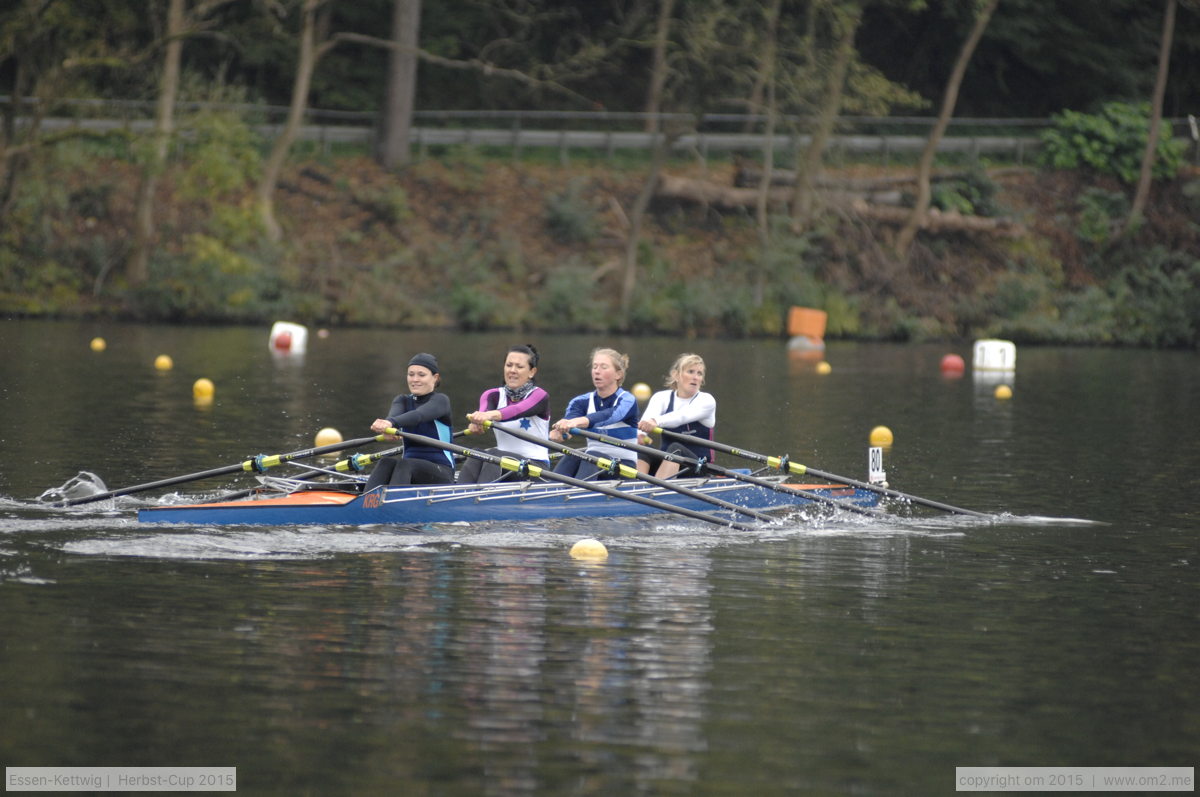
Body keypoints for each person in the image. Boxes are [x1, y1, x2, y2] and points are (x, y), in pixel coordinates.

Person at [458, 344, 551, 483]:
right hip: (504, 465)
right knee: (476, 453)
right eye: (509, 365)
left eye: (519, 367)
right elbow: (483, 411)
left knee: (494, 455)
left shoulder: (539, 396)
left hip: (536, 469)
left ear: (532, 372)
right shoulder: (492, 395)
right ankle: (460, 495)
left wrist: (488, 416)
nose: (512, 370)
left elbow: (517, 410)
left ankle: (482, 498)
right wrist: (477, 422)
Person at [364, 353, 455, 490]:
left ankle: (394, 506)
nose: (415, 379)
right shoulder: (402, 400)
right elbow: (393, 417)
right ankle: (366, 503)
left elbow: (419, 416)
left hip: (441, 471)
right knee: (385, 463)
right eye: (411, 374)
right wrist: (387, 427)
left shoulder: (441, 401)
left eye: (421, 375)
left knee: (405, 464)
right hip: (409, 470)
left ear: (435, 378)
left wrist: (391, 424)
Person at [550, 347, 639, 480]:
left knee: (591, 456)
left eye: (604, 367)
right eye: (595, 366)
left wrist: (575, 422)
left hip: (623, 468)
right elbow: (569, 422)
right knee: (573, 455)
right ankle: (551, 490)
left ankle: (580, 497)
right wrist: (560, 432)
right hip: (593, 462)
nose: (597, 371)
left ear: (618, 374)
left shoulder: (627, 400)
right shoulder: (580, 402)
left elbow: (609, 416)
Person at [637, 353, 716, 478]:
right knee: (643, 448)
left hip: (699, 468)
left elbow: (681, 417)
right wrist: (641, 434)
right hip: (668, 463)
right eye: (690, 371)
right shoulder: (661, 397)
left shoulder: (706, 400)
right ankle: (635, 490)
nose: (695, 377)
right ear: (676, 375)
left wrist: (655, 421)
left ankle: (656, 491)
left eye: (699, 374)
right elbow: (647, 419)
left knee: (676, 448)